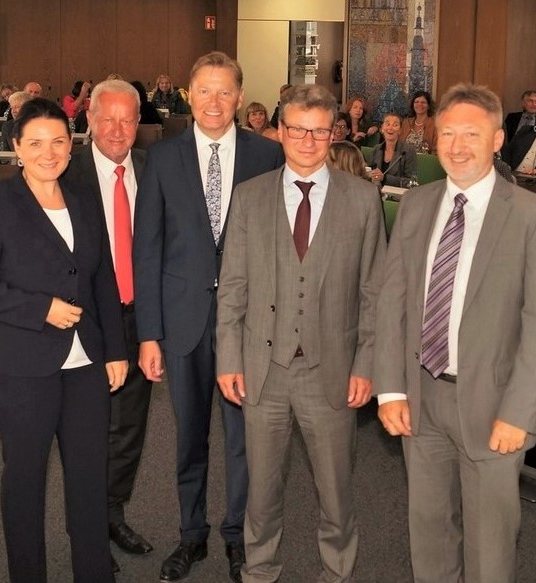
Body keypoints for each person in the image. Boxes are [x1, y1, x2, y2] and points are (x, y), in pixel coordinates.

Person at [374, 82, 536, 583]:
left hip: (494, 406)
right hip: (421, 397)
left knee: (489, 542)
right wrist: (391, 388)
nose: (458, 146)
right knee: (430, 532)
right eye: (448, 134)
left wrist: (519, 414)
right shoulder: (416, 206)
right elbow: (392, 302)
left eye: (472, 134)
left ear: (498, 140)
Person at [0, 98, 128, 583]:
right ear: (16, 148)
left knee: (89, 480)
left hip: (87, 361)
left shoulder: (85, 199)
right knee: (25, 480)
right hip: (20, 364)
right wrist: (40, 309)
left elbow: (104, 280)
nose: (48, 153)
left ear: (71, 146)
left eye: (58, 142)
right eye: (35, 143)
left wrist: (115, 348)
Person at [216, 82, 386, 583]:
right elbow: (233, 288)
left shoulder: (362, 199)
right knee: (261, 493)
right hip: (261, 371)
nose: (307, 140)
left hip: (331, 371)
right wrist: (228, 357)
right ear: (280, 130)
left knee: (336, 493)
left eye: (318, 131)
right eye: (296, 129)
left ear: (334, 134)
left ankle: (337, 573)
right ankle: (260, 571)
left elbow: (375, 291)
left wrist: (367, 363)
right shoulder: (249, 198)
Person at [133, 51, 284, 583]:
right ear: (188, 97)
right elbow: (145, 250)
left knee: (245, 439)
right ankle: (191, 535)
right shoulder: (162, 158)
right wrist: (148, 333)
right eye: (205, 91)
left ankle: (239, 537)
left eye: (225, 91)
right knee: (188, 435)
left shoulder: (269, 157)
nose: (214, 102)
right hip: (182, 322)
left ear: (240, 97)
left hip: (247, 326)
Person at [61, 79, 157, 563]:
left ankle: (111, 514)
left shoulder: (151, 168)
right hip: (85, 323)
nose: (118, 130)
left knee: (129, 428)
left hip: (139, 322)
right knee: (86, 429)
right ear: (90, 120)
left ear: (139, 124)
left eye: (128, 119)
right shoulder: (65, 173)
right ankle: (86, 533)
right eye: (108, 118)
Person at [368, 112, 417, 186]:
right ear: (382, 129)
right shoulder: (376, 149)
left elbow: (411, 182)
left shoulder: (408, 150)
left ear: (400, 130)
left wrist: (384, 178)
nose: (390, 128)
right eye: (387, 124)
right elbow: (368, 174)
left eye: (395, 125)